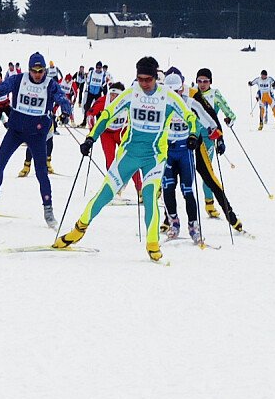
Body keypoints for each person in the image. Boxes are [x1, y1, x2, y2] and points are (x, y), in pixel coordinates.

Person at [59, 57, 198, 261]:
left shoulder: (168, 96)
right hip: (129, 154)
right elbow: (108, 114)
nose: (144, 83)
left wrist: (193, 134)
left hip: (154, 157)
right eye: (140, 79)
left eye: (148, 79)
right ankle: (78, 229)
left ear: (156, 77)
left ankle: (152, 244)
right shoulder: (132, 93)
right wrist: (91, 138)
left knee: (149, 196)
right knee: (105, 194)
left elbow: (190, 117)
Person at [0, 52, 73, 227]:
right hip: (16, 131)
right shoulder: (19, 80)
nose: (37, 74)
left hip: (37, 134)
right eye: (34, 71)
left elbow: (62, 98)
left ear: (44, 70)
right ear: (29, 70)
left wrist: (66, 111)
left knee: (41, 172)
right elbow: (3, 87)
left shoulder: (50, 84)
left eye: (41, 71)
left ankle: (48, 211)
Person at [160, 68, 213, 244]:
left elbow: (205, 119)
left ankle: (193, 227)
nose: (173, 95)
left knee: (187, 190)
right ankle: (173, 223)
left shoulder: (190, 103)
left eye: (176, 91)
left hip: (184, 151)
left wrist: (201, 136)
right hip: (167, 151)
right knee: (167, 188)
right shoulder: (161, 103)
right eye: (170, 91)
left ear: (181, 88)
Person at [189, 69, 246, 232]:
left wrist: (229, 119)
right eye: (199, 81)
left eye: (205, 81)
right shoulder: (191, 93)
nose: (202, 84)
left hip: (207, 138)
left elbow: (229, 112)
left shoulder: (215, 94)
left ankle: (209, 204)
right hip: (190, 136)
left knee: (208, 171)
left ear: (210, 82)